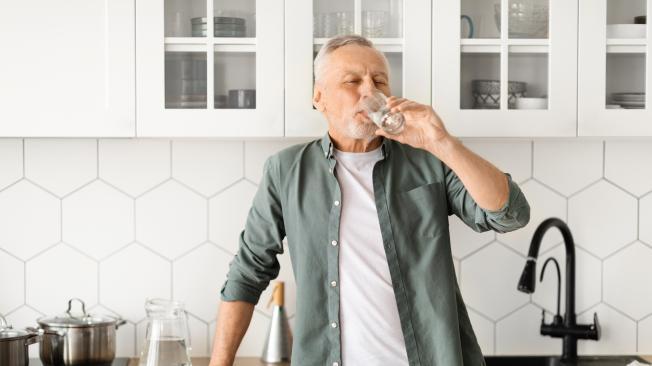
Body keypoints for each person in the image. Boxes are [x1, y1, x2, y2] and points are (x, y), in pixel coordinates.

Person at [208, 35, 530, 366]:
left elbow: (510, 215)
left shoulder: (428, 160)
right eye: (352, 81)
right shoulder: (286, 170)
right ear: (319, 98)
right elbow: (248, 274)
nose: (370, 91)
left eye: (379, 81)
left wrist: (442, 142)